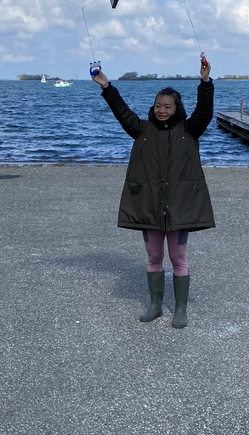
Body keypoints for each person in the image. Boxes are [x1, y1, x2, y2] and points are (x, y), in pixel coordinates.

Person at [91, 60, 215, 328]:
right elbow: (122, 112)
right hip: (150, 205)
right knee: (154, 258)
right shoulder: (142, 130)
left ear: (176, 108)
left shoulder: (189, 130)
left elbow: (204, 112)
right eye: (158, 105)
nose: (161, 110)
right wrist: (106, 87)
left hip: (180, 207)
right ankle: (156, 305)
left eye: (167, 106)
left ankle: (180, 308)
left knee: (178, 259)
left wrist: (205, 84)